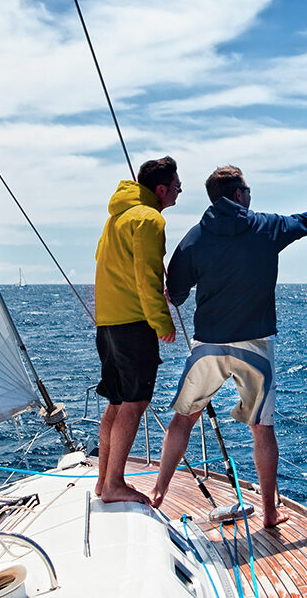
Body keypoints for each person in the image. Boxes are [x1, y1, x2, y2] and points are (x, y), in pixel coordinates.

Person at [150, 166, 307, 525]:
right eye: (247, 190)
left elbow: (176, 294)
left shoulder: (193, 239)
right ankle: (268, 512)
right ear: (237, 194)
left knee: (183, 421)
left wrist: (170, 290)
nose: (250, 196)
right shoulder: (266, 227)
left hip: (208, 345)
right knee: (261, 429)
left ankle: (159, 492)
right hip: (254, 345)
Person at [93, 156, 180, 505]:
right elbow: (147, 279)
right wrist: (162, 322)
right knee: (135, 402)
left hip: (108, 323)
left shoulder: (116, 218)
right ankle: (114, 483)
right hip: (134, 323)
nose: (178, 191)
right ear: (160, 189)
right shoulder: (149, 219)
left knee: (116, 401)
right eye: (176, 186)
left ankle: (104, 481)